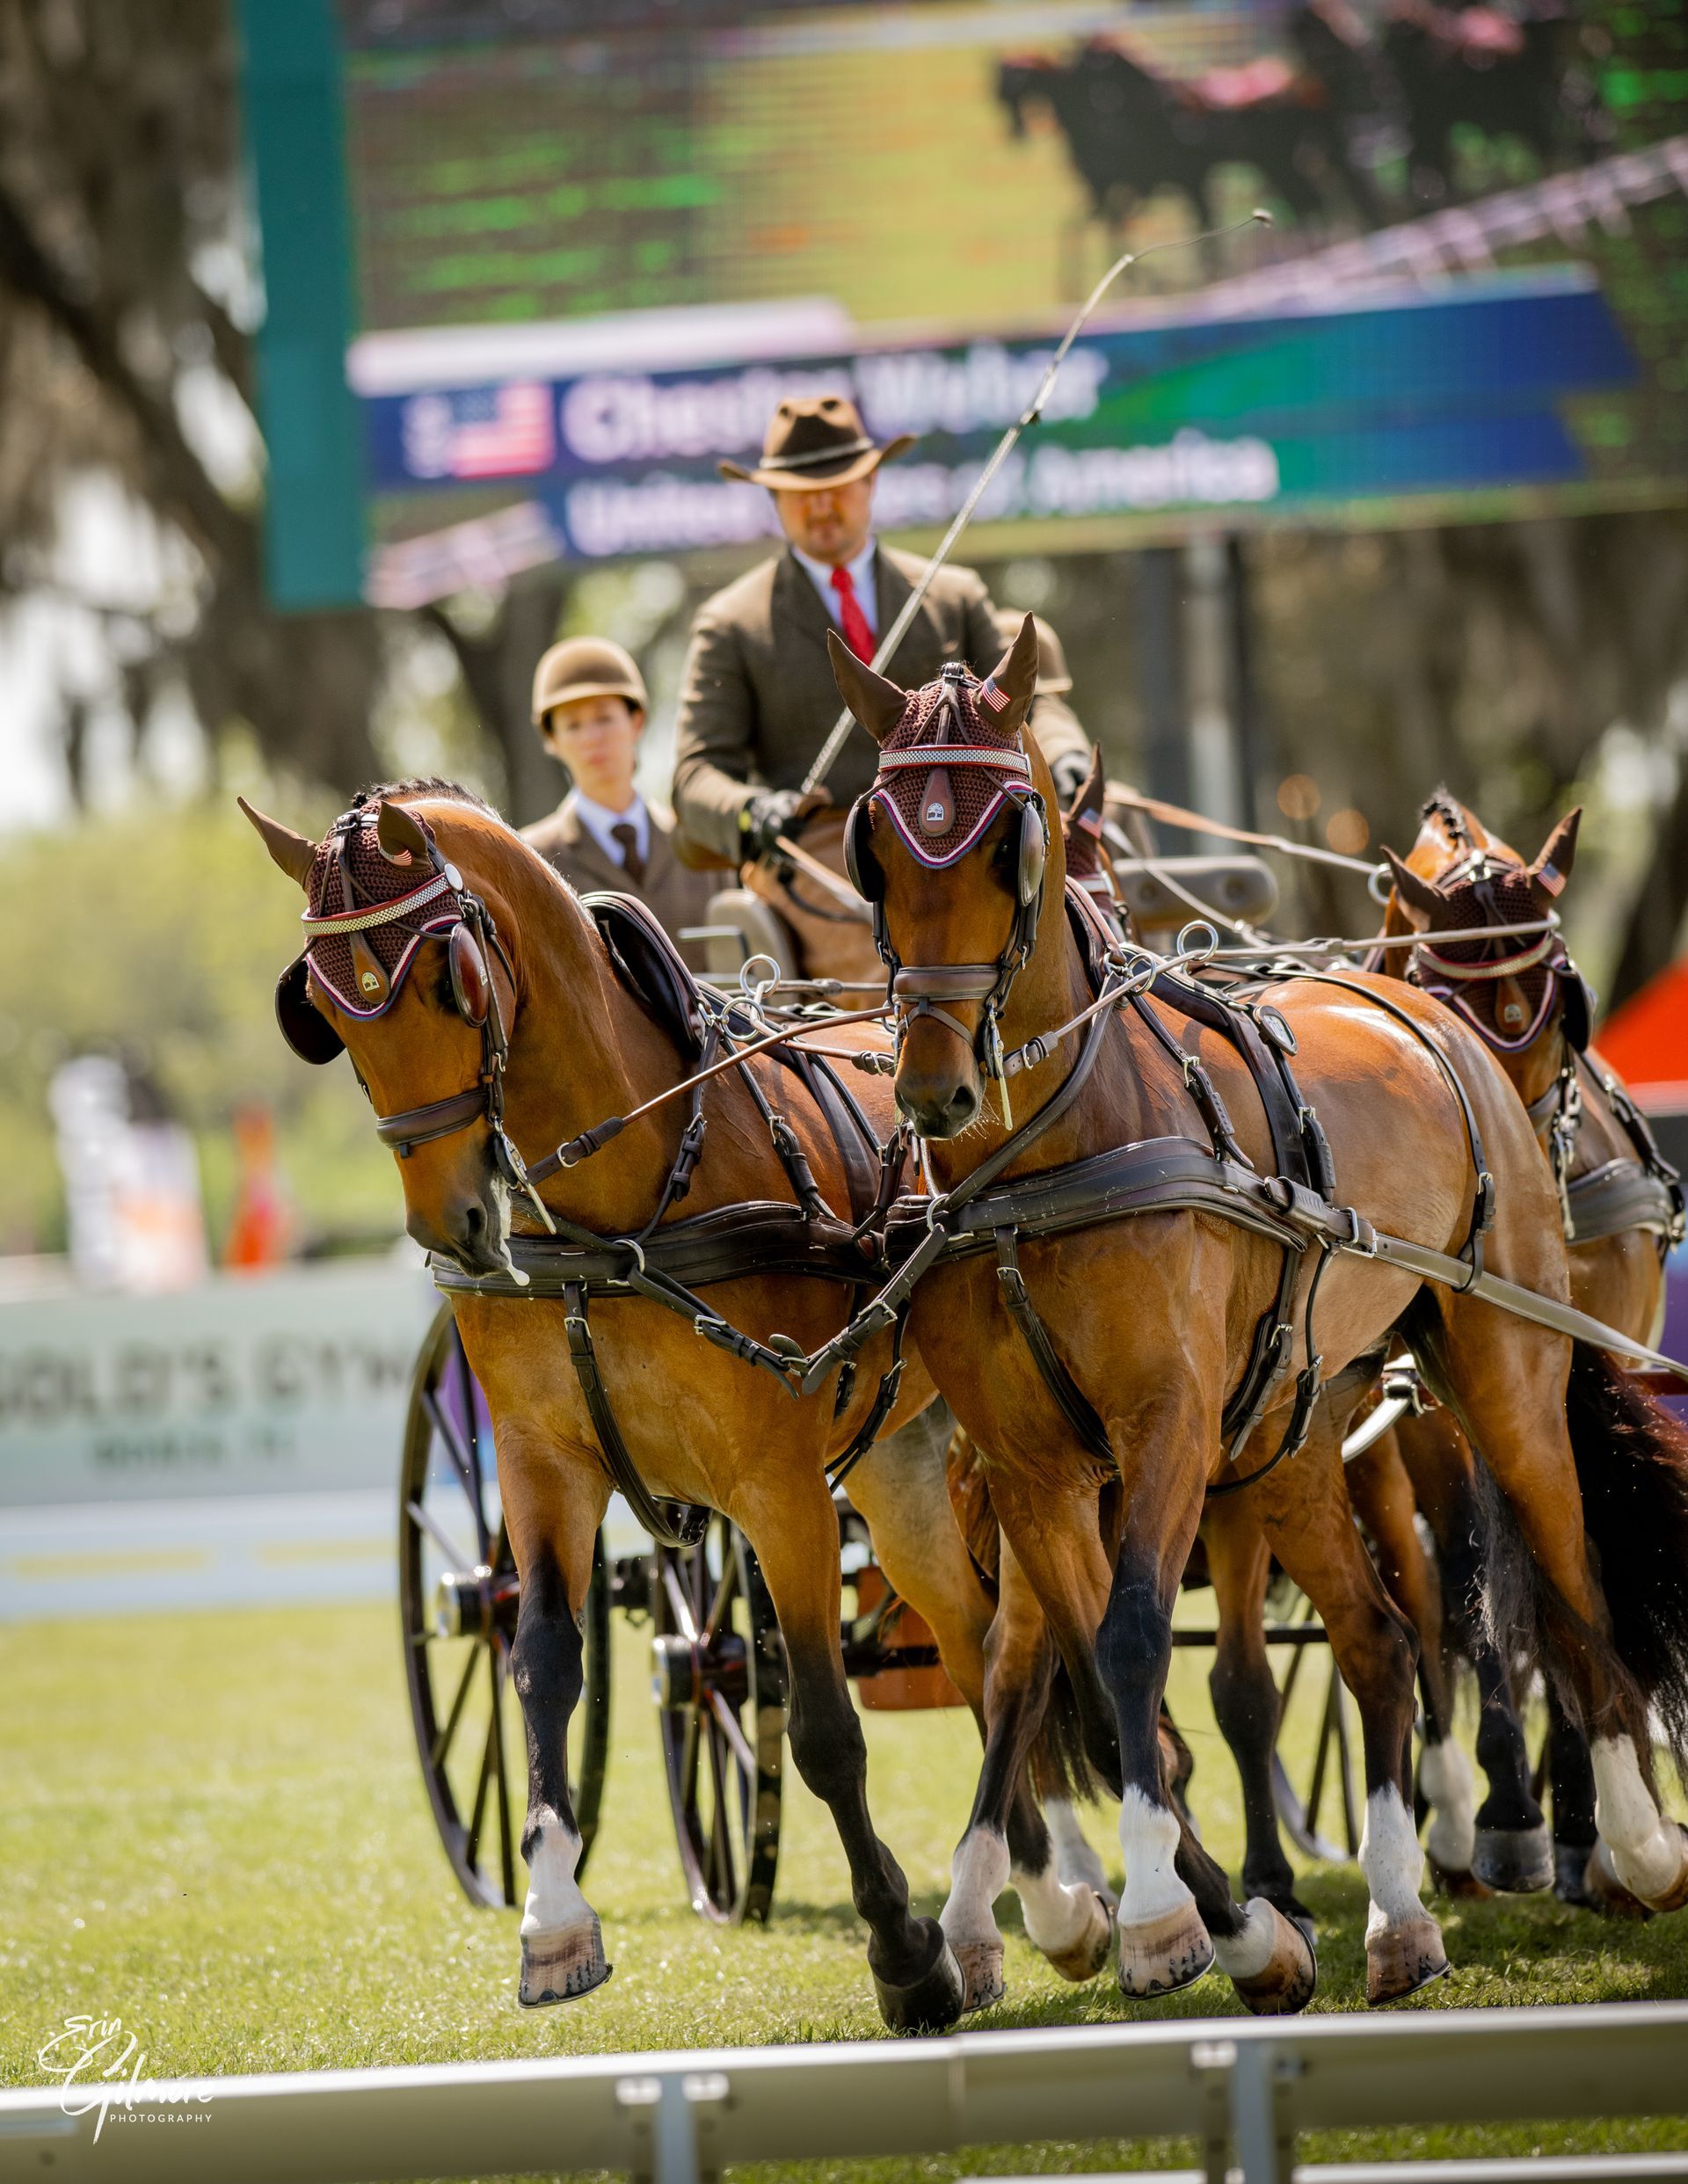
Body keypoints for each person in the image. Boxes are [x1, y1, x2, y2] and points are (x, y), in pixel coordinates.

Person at [671, 393, 1092, 980]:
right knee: (910, 970)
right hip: (822, 853)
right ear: (774, 500)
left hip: (964, 838)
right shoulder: (733, 624)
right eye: (800, 493)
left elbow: (1027, 707)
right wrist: (751, 811)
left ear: (871, 483)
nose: (822, 505)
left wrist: (1066, 756)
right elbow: (695, 775)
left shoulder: (954, 595)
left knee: (1086, 927)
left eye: (839, 484)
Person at [520, 636, 716, 964]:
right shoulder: (532, 861)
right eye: (573, 725)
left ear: (636, 722)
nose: (591, 738)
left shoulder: (700, 845)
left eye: (604, 718)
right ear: (551, 741)